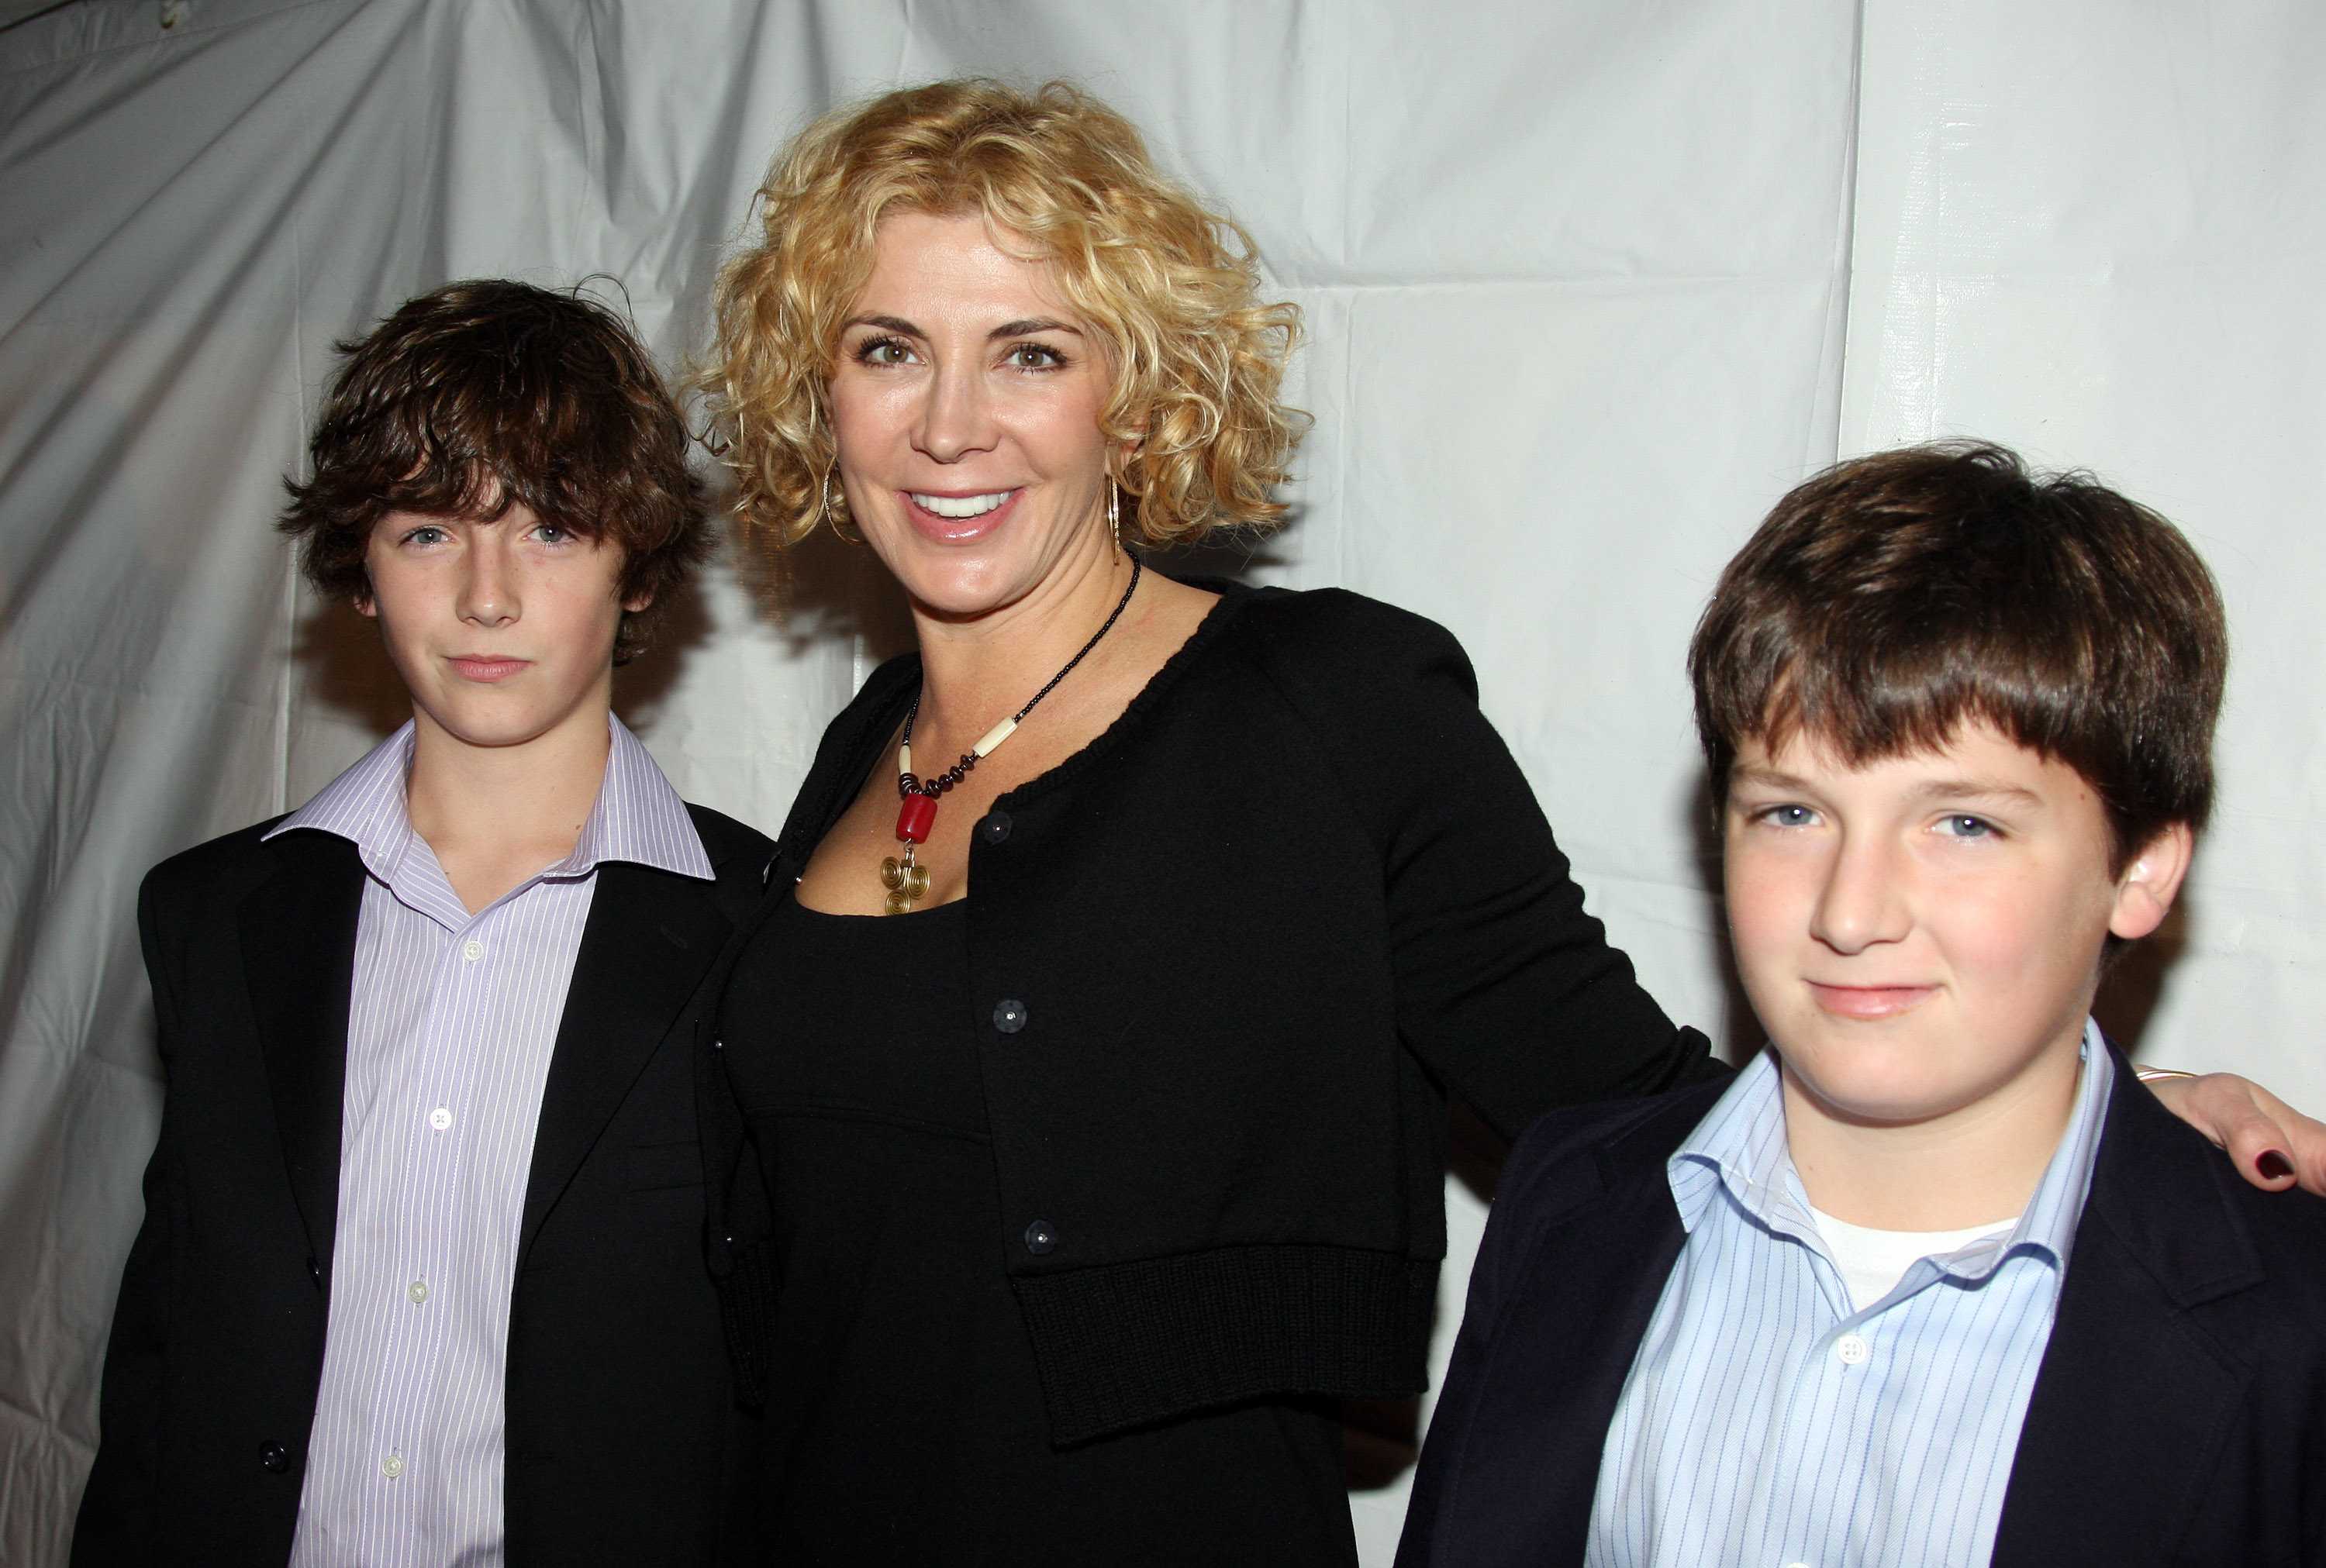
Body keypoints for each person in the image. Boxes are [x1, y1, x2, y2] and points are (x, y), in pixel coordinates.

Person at [695, 82, 2326, 1564]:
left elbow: (1644, 1123)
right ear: (817, 391)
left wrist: (2099, 1127)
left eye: (1032, 351)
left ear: (1137, 394)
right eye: (887, 346)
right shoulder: (858, 745)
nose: (950, 423)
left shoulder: (1325, 710)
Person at [1396, 444, 2326, 1568]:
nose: (1850, 911)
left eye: (1964, 824)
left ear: (2142, 872)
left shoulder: (2291, 1323)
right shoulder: (1572, 1204)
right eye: (1792, 813)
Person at [73, 281, 772, 1566]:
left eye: (554, 529)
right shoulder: (214, 918)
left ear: (637, 570)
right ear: (358, 569)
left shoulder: (766, 936)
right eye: (428, 532)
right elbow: (169, 1360)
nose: (488, 596)